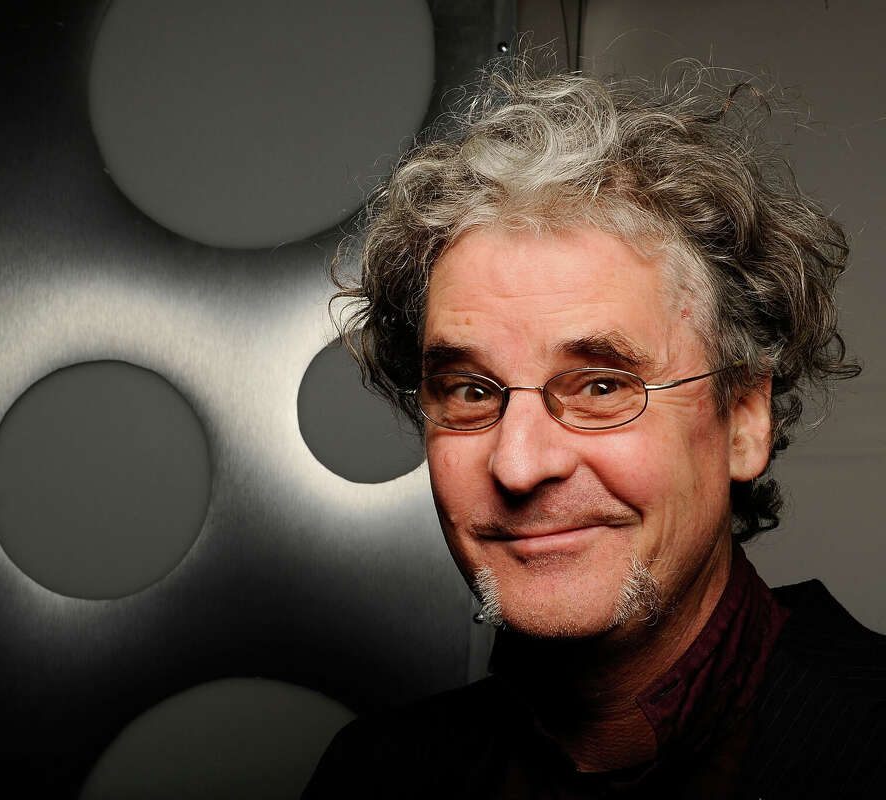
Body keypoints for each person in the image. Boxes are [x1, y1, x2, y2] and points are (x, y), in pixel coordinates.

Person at [303, 62, 886, 799]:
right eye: (471, 391)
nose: (518, 466)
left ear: (742, 417)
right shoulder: (371, 776)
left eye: (603, 386)